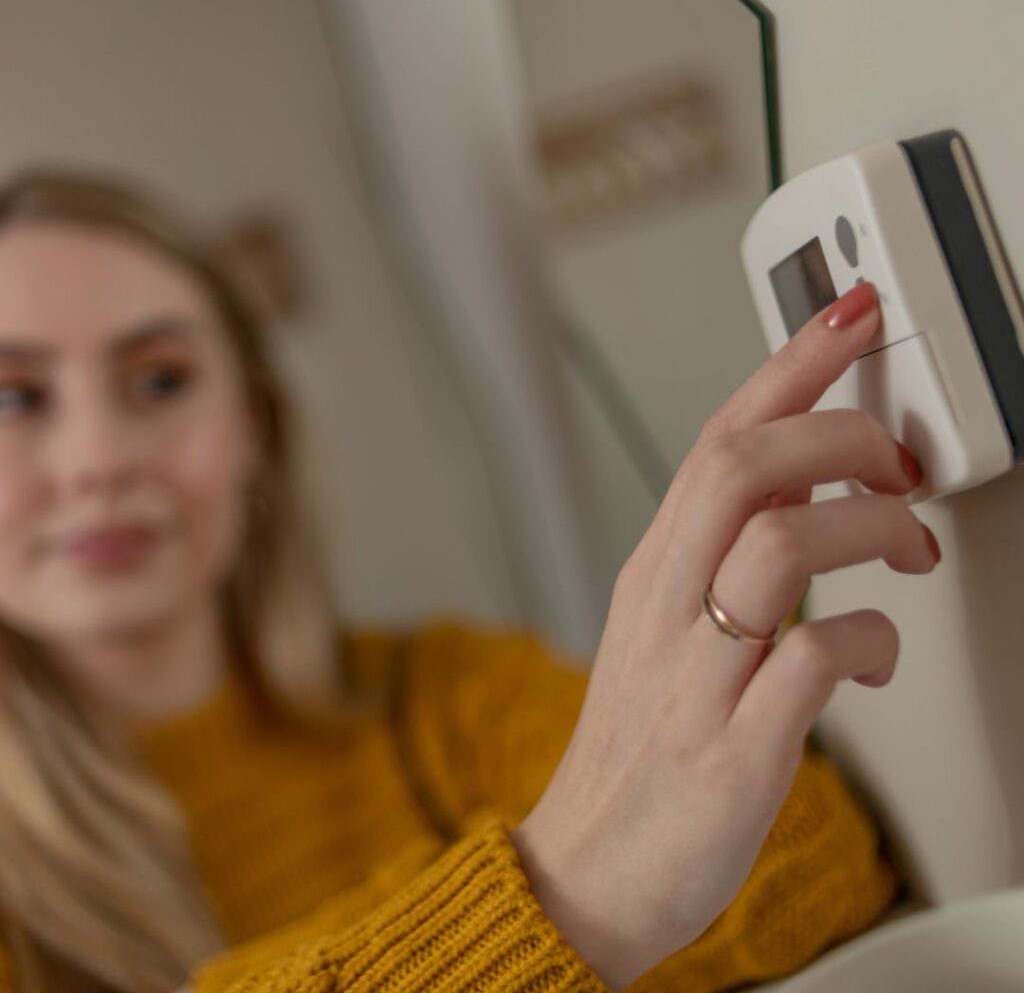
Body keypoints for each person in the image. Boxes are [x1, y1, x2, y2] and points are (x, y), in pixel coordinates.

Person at [0, 168, 927, 993]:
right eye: (14, 398)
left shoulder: (434, 694)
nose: (97, 461)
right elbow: (666, 867)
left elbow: (807, 865)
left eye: (160, 381)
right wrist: (565, 886)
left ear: (255, 427)